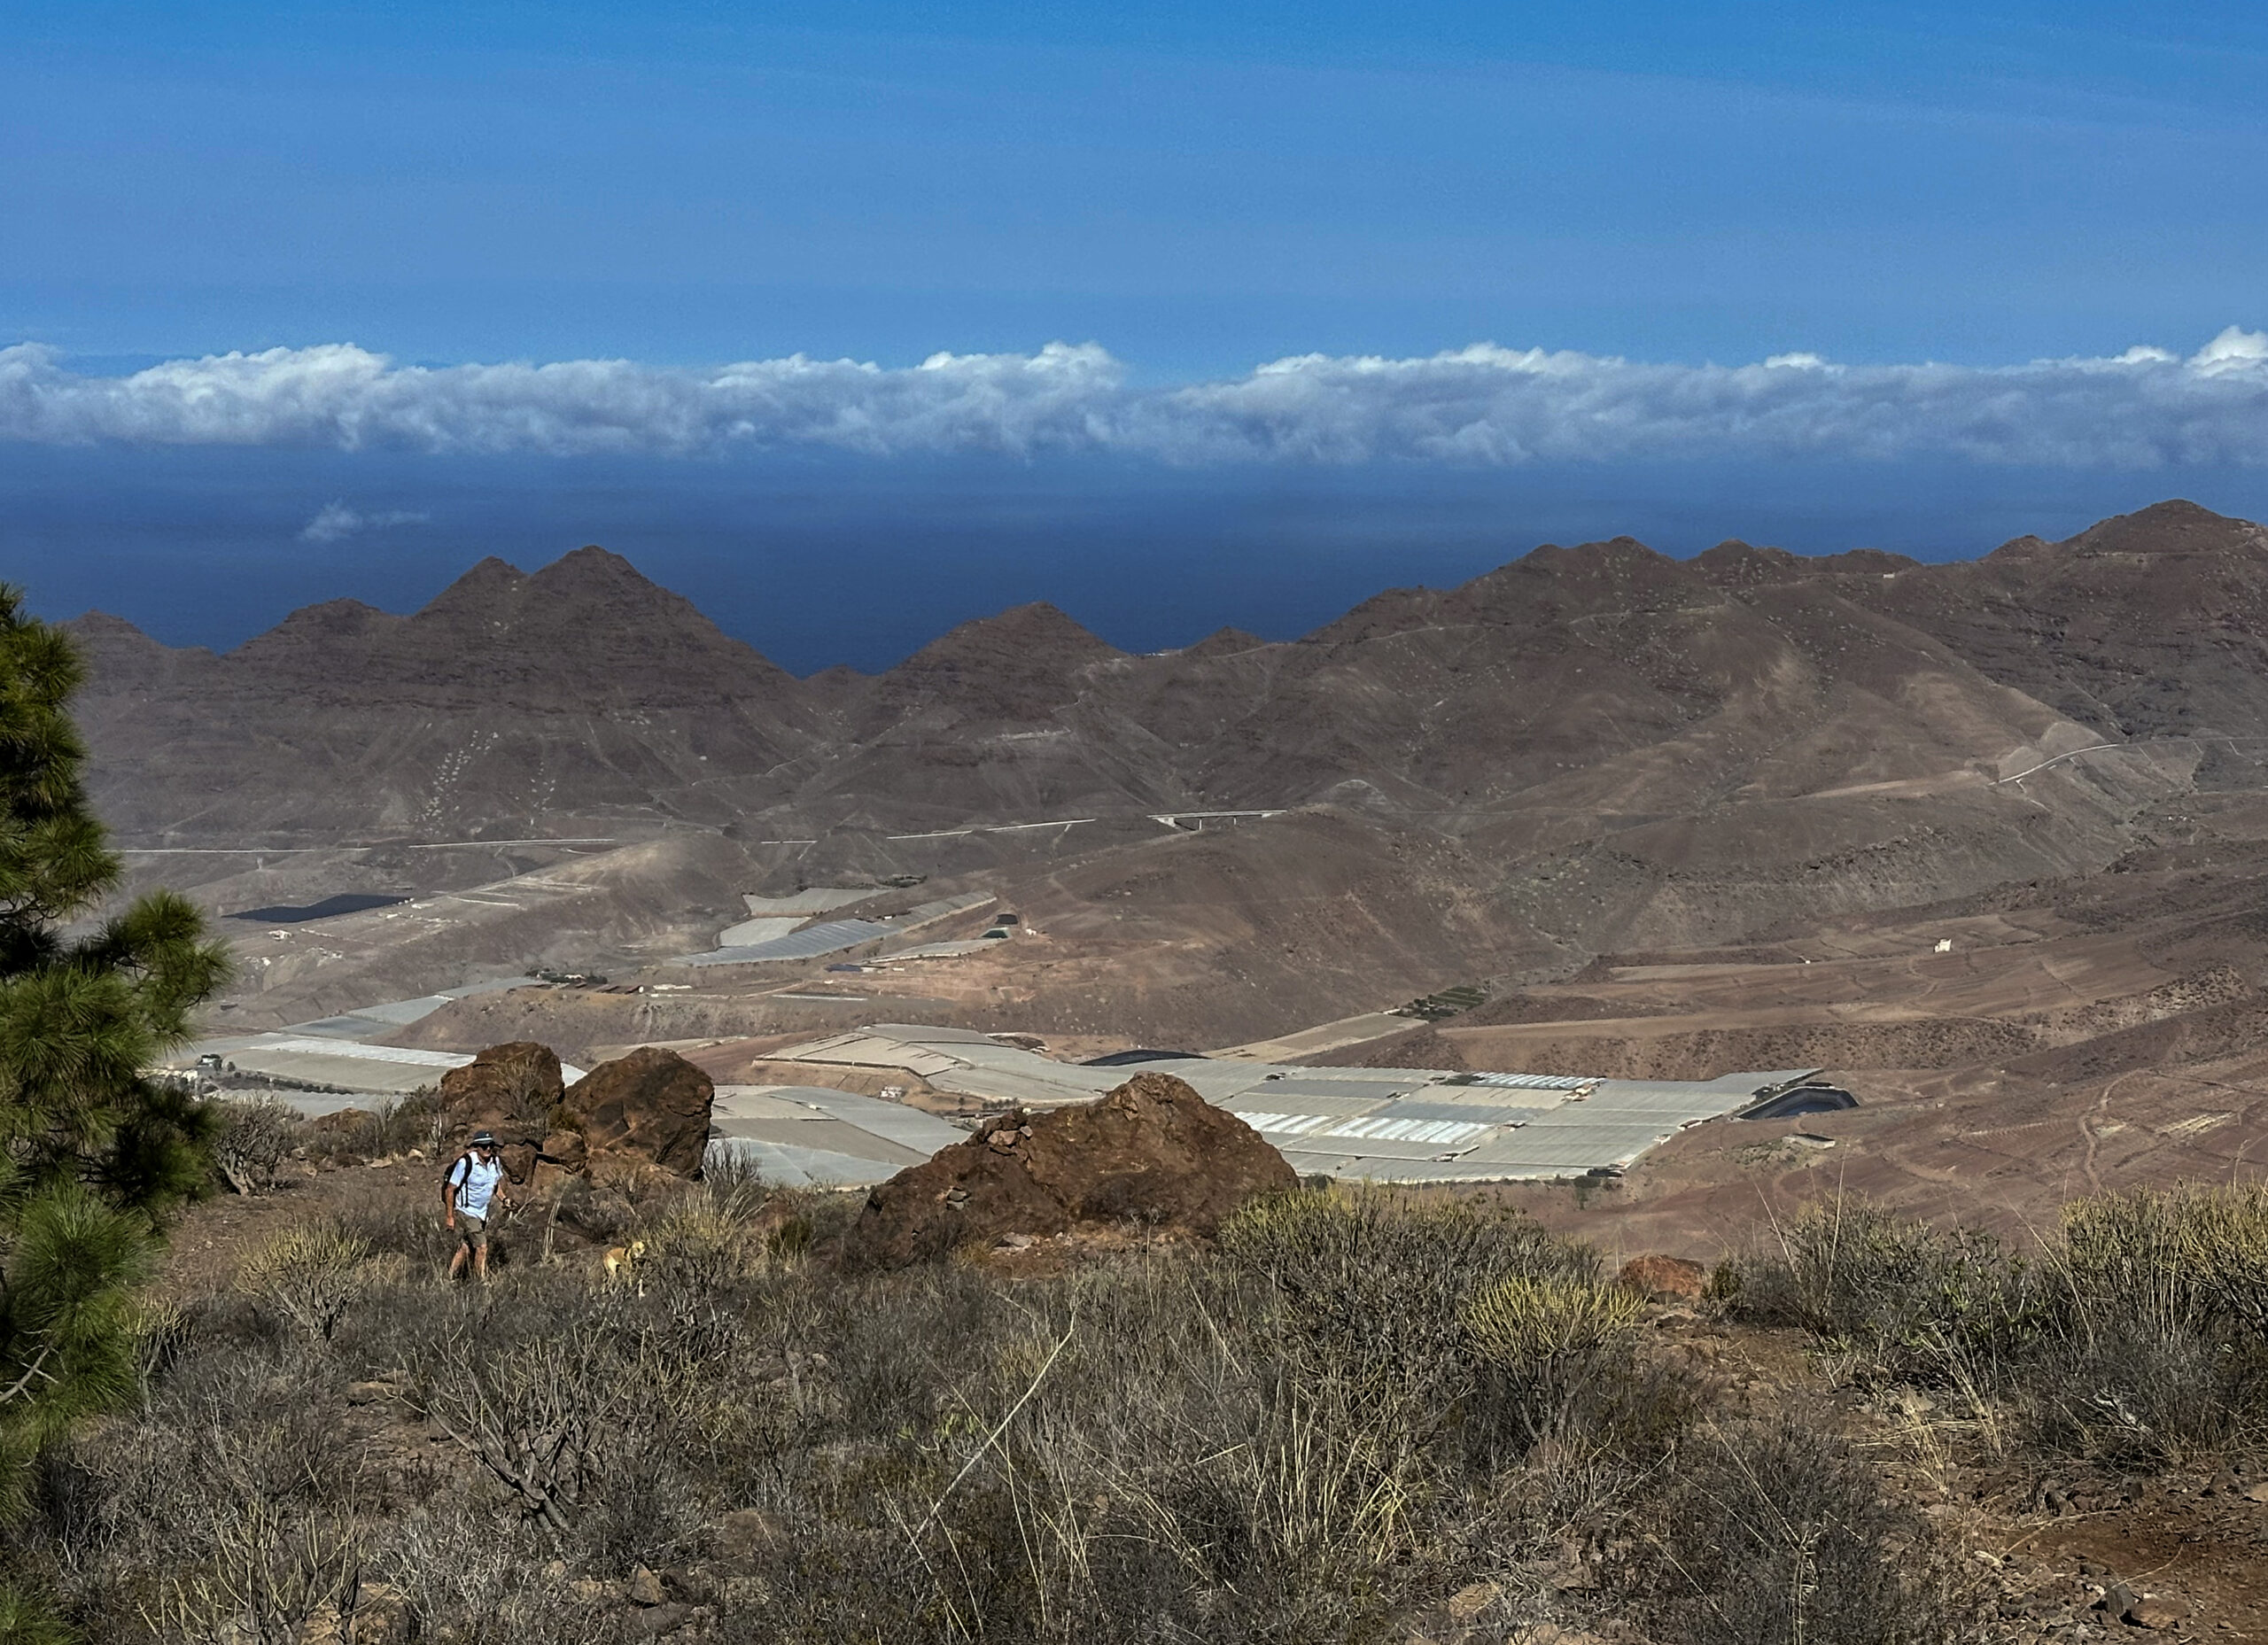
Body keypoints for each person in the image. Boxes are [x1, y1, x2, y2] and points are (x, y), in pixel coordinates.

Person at [443, 1131, 509, 1282]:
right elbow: (450, 1189)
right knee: (482, 1247)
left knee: (467, 1247)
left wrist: (504, 1199)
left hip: (482, 1212)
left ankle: (449, 1277)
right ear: (476, 1147)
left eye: (490, 1145)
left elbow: (495, 1186)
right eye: (484, 1146)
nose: (488, 1149)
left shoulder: (495, 1162)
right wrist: (450, 1217)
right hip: (466, 1211)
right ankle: (480, 1282)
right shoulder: (465, 1163)